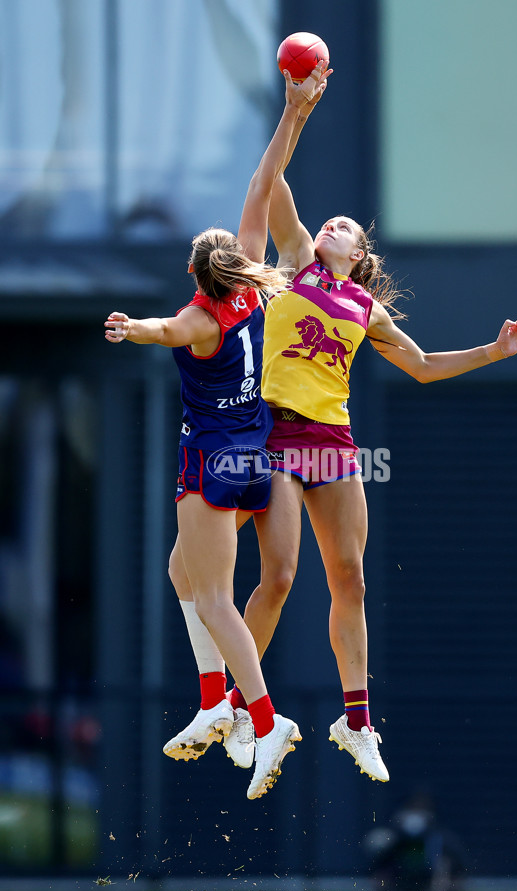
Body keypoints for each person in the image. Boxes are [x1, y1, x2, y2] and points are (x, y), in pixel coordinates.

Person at [233, 79, 517, 785]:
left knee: (352, 580)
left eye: (347, 226)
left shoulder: (362, 304)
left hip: (333, 440)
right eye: (329, 221)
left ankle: (357, 720)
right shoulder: (296, 264)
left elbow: (423, 365)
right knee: (278, 574)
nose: (333, 224)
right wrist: (295, 109)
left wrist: (493, 351)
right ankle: (240, 706)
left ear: (361, 252)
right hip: (275, 431)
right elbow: (268, 179)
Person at [103, 62, 330, 800]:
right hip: (264, 449)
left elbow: (165, 327)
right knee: (182, 573)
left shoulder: (201, 316)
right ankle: (210, 703)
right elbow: (265, 180)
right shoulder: (256, 287)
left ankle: (261, 720)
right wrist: (294, 112)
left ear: (198, 274)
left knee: (213, 598)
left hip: (212, 457)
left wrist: (129, 326)